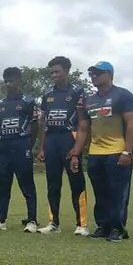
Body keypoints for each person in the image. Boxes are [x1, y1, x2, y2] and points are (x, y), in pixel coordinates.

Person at [71, 61, 133, 242]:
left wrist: (127, 152)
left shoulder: (122, 95)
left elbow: (132, 124)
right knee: (100, 193)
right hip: (95, 154)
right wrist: (76, 154)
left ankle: (118, 228)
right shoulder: (89, 101)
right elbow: (83, 129)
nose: (94, 77)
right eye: (91, 74)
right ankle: (103, 226)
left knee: (117, 192)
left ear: (110, 75)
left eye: (98, 73)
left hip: (117, 152)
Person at [37, 56, 89, 235]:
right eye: (51, 72)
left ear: (67, 71)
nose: (54, 75)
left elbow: (83, 122)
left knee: (76, 182)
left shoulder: (77, 91)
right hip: (52, 140)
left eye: (57, 71)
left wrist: (77, 148)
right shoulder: (47, 94)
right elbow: (43, 123)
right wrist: (42, 147)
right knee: (53, 183)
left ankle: (81, 224)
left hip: (70, 138)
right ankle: (54, 223)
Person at [0, 67, 39, 232]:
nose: (8, 84)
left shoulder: (28, 102)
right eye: (6, 81)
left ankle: (32, 221)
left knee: (27, 185)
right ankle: (0, 220)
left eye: (12, 81)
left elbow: (35, 126)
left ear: (19, 81)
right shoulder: (0, 105)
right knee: (3, 185)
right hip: (4, 149)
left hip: (21, 147)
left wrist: (29, 145)